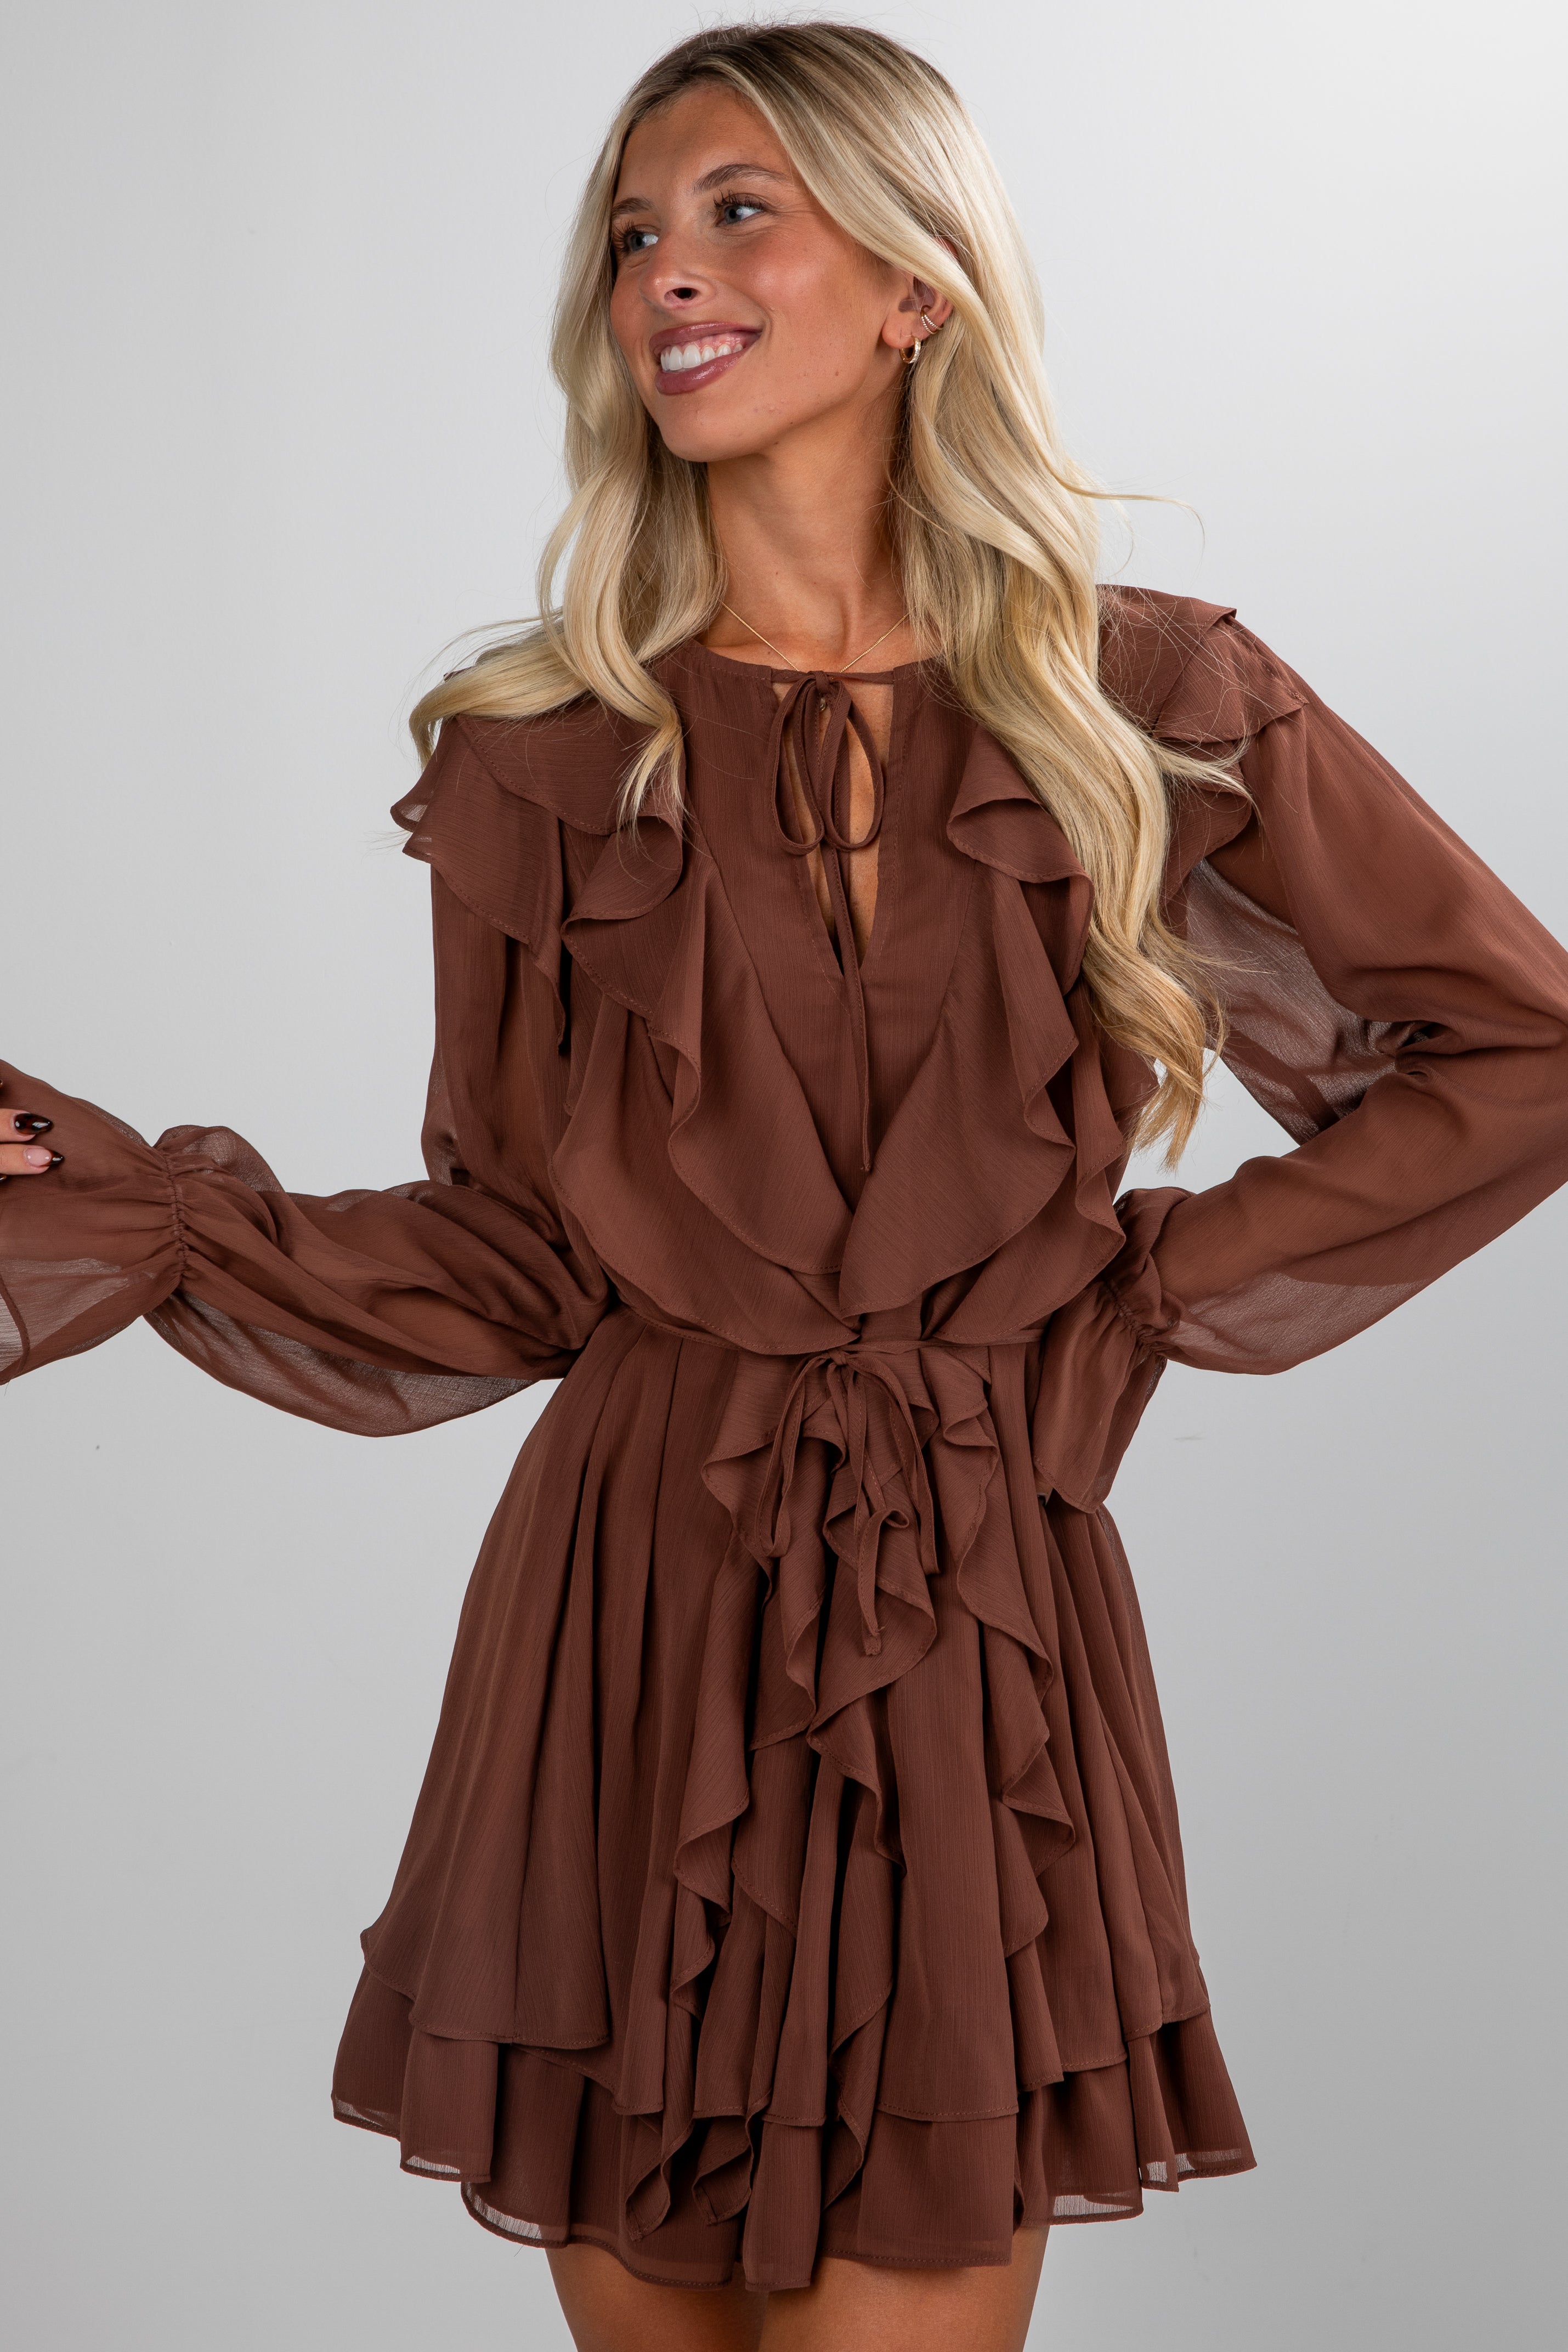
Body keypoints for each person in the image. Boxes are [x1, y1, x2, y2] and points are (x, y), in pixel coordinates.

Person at [4, 20, 1567, 2352]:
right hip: (623, 1617)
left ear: (916, 285)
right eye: (637, 229)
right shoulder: (539, 752)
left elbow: (1510, 1043)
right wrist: (146, 1209)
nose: (669, 272)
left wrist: (1119, 1303)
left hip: (971, 1624)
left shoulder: (1149, 694)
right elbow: (520, 1247)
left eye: (742, 209)